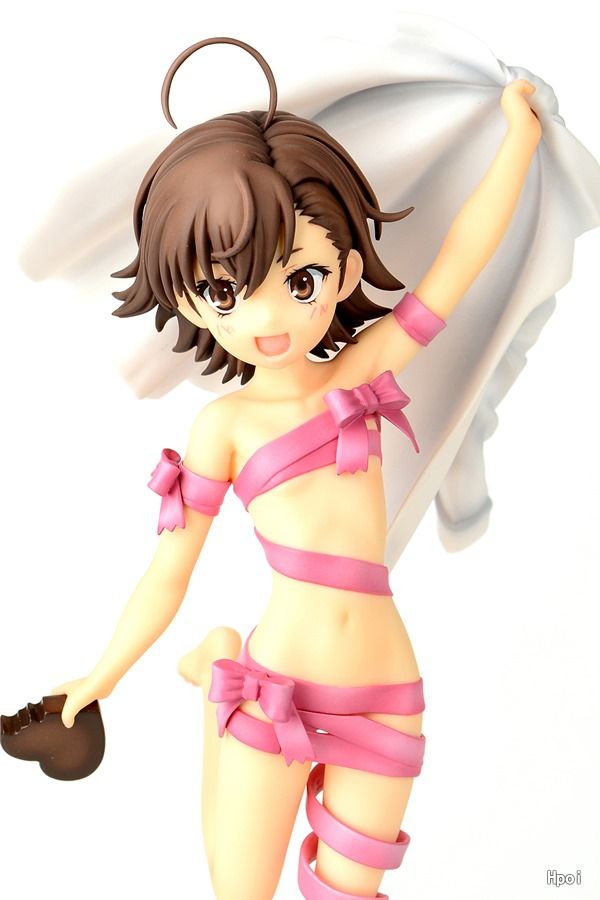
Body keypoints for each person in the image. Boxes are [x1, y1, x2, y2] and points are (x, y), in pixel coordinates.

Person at [45, 36, 547, 900]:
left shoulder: (362, 372)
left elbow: (461, 260)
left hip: (385, 694)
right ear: (189, 297)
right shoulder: (224, 427)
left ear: (345, 271)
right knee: (239, 893)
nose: (268, 317)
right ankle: (217, 666)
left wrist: (520, 138)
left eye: (302, 280)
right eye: (226, 290)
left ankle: (213, 661)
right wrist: (102, 674)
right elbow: (168, 572)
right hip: (276, 689)